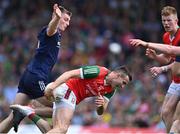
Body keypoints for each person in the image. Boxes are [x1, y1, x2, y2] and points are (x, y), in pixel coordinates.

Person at [0, 3, 72, 133]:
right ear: (56, 16)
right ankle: (28, 111)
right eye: (65, 19)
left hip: (28, 76)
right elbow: (51, 28)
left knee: (12, 118)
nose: (67, 23)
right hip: (36, 77)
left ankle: (23, 112)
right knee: (59, 108)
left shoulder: (57, 35)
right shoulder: (52, 32)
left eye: (68, 21)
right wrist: (56, 18)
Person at [11, 65, 132, 134]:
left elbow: (100, 112)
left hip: (71, 98)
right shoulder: (98, 71)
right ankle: (36, 101)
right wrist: (54, 86)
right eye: (123, 83)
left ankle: (29, 112)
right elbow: (70, 73)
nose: (122, 86)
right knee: (62, 128)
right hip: (68, 90)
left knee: (54, 130)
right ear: (117, 75)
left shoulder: (111, 90)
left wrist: (100, 106)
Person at [130, 6, 180, 133]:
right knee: (165, 113)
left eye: (169, 20)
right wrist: (156, 57)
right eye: (164, 21)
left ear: (176, 21)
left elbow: (171, 50)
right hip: (176, 80)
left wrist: (146, 43)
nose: (166, 23)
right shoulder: (166, 37)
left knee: (177, 118)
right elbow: (168, 58)